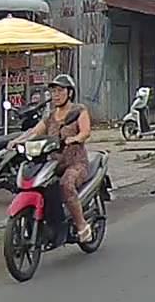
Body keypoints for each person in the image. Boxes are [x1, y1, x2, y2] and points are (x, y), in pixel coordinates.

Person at [9, 74, 95, 243]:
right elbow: (34, 132)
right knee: (40, 184)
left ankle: (82, 226)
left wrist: (75, 139)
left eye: (60, 91)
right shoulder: (50, 116)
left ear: (70, 92)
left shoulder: (78, 111)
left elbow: (86, 132)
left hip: (76, 163)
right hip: (54, 164)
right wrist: (17, 141)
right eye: (53, 91)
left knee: (66, 185)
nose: (56, 95)